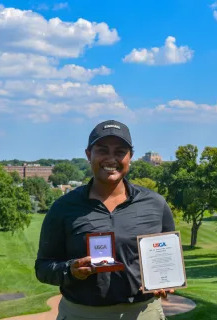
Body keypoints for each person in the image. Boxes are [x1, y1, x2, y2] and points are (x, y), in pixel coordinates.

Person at [35, 120, 176, 320]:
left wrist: (166, 281)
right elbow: (43, 267)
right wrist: (71, 270)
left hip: (143, 313)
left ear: (130, 157)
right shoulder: (63, 207)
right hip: (81, 314)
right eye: (102, 150)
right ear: (88, 154)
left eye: (120, 151)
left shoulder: (155, 204)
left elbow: (168, 258)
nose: (111, 159)